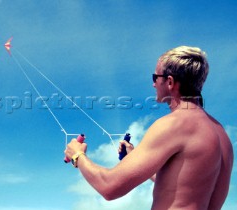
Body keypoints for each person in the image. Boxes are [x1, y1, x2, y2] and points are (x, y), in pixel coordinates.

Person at [64, 46, 234, 210]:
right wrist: (135, 157)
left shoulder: (174, 124)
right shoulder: (222, 136)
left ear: (169, 82)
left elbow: (109, 187)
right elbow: (183, 187)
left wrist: (77, 155)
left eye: (155, 77)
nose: (153, 84)